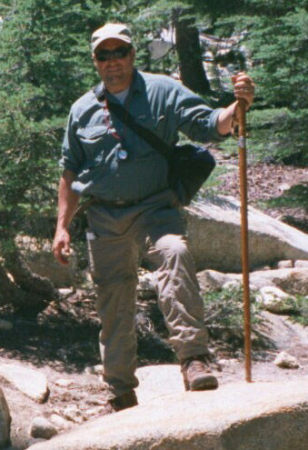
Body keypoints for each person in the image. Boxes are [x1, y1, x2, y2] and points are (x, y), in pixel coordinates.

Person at [52, 23, 255, 413]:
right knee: (114, 300)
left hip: (156, 209)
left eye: (120, 52)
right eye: (103, 55)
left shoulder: (162, 90)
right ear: (95, 61)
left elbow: (209, 124)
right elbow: (70, 172)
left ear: (132, 55)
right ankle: (120, 390)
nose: (112, 62)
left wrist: (237, 107)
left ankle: (194, 359)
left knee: (175, 253)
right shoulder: (81, 110)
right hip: (105, 217)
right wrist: (62, 226)